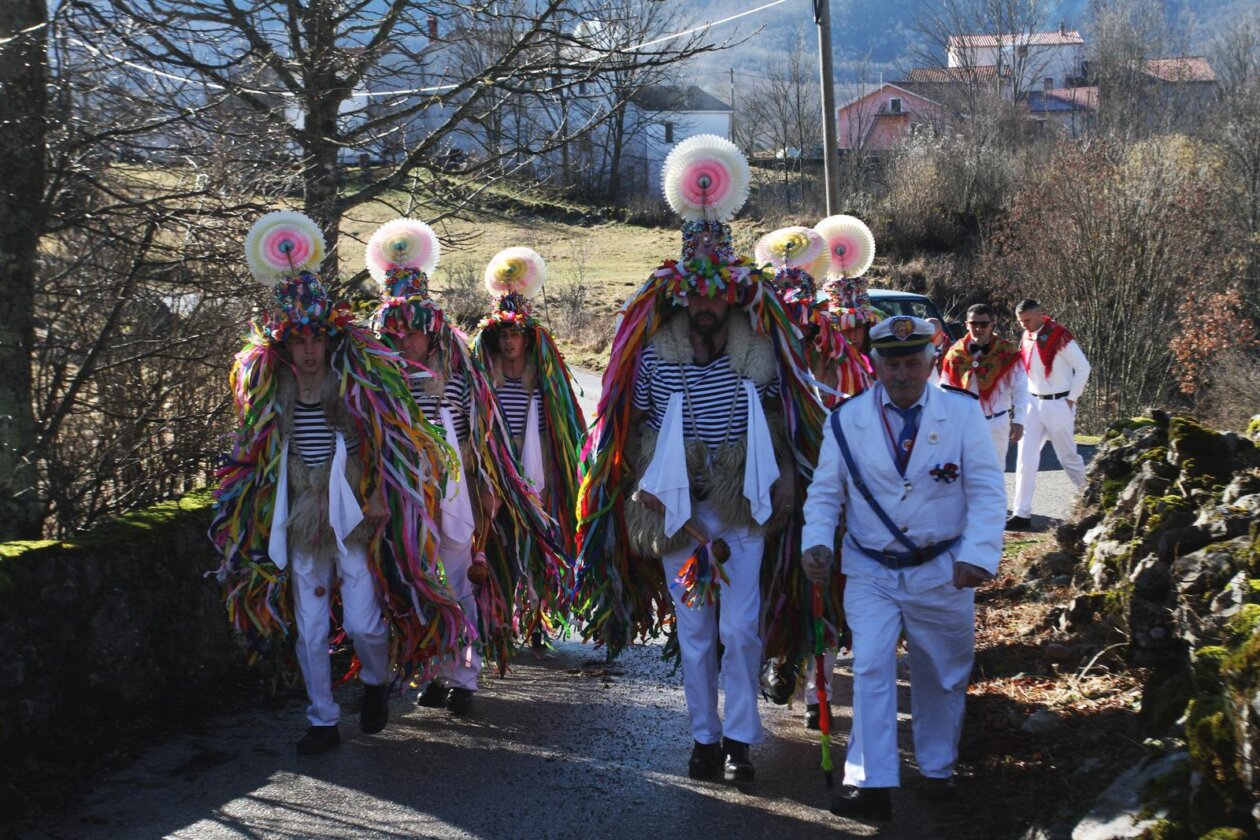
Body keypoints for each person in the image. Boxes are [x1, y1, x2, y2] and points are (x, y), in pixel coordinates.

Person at [575, 134, 826, 784]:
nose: (708, 307)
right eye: (698, 298)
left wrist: (783, 484)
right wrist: (659, 500)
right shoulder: (658, 359)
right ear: (683, 298)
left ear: (732, 298)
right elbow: (637, 435)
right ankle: (704, 740)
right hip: (680, 510)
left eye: (718, 297)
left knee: (742, 629)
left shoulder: (761, 358)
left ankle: (742, 739)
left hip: (742, 507)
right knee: (694, 633)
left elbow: (782, 423)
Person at [210, 211, 466, 754]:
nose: (308, 350)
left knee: (364, 618)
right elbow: (251, 452)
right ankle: (322, 720)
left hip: (351, 513)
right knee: (308, 624)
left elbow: (380, 439)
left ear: (329, 342)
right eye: (298, 340)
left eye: (316, 340)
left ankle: (375, 682)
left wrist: (374, 493)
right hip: (299, 514)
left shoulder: (354, 385)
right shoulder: (267, 392)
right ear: (284, 345)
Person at [801, 314, 1006, 822]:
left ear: (931, 361)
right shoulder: (846, 420)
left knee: (940, 673)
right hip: (871, 569)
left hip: (943, 568)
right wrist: (817, 543)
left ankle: (937, 768)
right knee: (871, 665)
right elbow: (825, 493)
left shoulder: (962, 413)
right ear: (874, 364)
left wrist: (979, 555)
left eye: (913, 363)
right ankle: (870, 783)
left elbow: (986, 491)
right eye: (891, 364)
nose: (902, 375)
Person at [364, 219, 566, 715]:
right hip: (401, 490)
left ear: (430, 330)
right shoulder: (376, 377)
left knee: (457, 579)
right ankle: (431, 670)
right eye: (396, 331)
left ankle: (464, 675)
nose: (405, 340)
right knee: (416, 581)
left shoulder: (458, 372)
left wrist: (486, 488)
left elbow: (480, 439)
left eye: (412, 331)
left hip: (452, 490)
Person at [472, 247, 586, 647]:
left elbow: (562, 430)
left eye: (516, 335)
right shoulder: (485, 380)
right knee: (498, 540)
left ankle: (537, 619)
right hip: (498, 475)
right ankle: (499, 619)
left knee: (540, 541)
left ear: (528, 338)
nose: (509, 342)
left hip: (537, 473)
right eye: (503, 335)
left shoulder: (545, 382)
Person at [1007, 299, 1091, 531]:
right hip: (1033, 403)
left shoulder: (1060, 336)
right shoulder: (1027, 336)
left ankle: (1095, 500)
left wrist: (1072, 399)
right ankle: (1021, 513)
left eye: (1027, 320)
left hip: (1058, 403)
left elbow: (1084, 367)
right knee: (1025, 458)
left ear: (1039, 315)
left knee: (1068, 458)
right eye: (1020, 322)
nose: (1024, 325)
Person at [940, 303, 1027, 465]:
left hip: (996, 422)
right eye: (974, 324)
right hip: (964, 423)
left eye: (983, 324)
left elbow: (1021, 388)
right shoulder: (955, 353)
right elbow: (944, 389)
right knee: (963, 472)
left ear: (992, 324)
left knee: (996, 473)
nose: (978, 328)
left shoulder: (1007, 352)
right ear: (966, 325)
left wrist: (1019, 420)